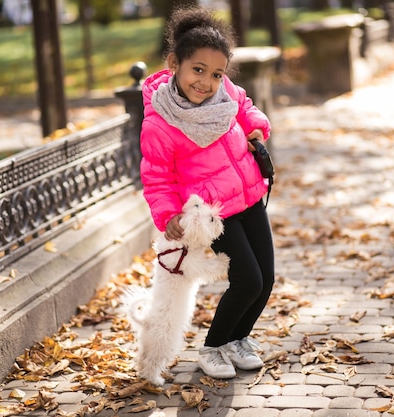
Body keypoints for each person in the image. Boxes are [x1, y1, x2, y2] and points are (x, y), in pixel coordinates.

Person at [139, 5, 275, 380]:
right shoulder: (160, 123)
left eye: (216, 74)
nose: (206, 82)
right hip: (214, 212)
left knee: (266, 278)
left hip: (248, 196)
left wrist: (256, 128)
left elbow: (245, 106)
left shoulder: (225, 91)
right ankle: (213, 346)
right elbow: (157, 177)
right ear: (174, 64)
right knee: (247, 279)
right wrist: (168, 215)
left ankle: (238, 339)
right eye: (197, 70)